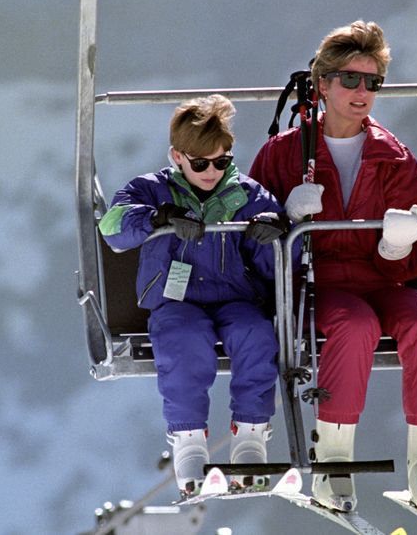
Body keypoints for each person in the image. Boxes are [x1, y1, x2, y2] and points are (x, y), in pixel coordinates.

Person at [250, 20, 417, 513]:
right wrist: (285, 220)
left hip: (381, 279)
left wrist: (395, 247)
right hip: (314, 286)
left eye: (373, 82)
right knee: (355, 324)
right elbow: (249, 238)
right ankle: (334, 459)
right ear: (322, 84)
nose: (362, 92)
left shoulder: (394, 158)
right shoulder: (284, 154)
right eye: (350, 79)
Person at [99, 95, 294, 498]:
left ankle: (251, 436)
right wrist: (157, 218)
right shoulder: (152, 190)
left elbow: (280, 265)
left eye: (221, 162)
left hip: (234, 296)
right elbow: (112, 226)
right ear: (178, 156)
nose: (211, 172)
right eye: (200, 163)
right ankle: (188, 440)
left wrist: (274, 234)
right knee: (184, 343)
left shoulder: (248, 196)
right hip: (177, 300)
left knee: (257, 337)